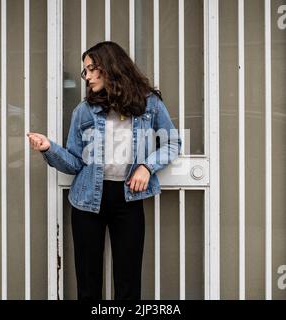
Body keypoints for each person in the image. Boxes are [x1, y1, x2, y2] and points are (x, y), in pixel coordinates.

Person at [27, 41, 181, 301]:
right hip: (87, 201)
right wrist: (48, 148)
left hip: (128, 198)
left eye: (90, 69)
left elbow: (172, 142)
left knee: (128, 282)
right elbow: (75, 162)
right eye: (84, 71)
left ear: (109, 68)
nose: (86, 76)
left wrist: (146, 166)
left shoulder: (149, 105)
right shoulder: (84, 111)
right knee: (88, 284)